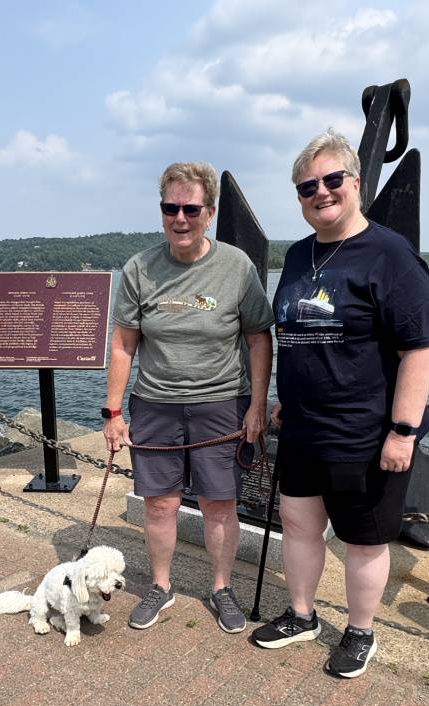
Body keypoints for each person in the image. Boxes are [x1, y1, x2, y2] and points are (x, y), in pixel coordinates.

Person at [250, 129, 429, 678]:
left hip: (365, 432)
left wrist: (403, 431)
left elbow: (418, 349)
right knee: (298, 524)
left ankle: (360, 631)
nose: (321, 192)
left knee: (363, 539)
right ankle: (302, 614)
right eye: (307, 186)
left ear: (355, 183)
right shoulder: (298, 255)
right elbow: (296, 334)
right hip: (304, 427)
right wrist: (286, 398)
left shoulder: (391, 256)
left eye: (332, 179)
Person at [104, 161, 274, 634]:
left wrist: (257, 405)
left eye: (191, 209)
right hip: (155, 404)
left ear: (210, 213)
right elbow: (123, 344)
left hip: (222, 403)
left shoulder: (236, 267)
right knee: (159, 504)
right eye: (170, 208)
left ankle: (221, 588)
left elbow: (259, 338)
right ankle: (161, 586)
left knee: (220, 504)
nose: (180, 218)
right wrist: (113, 411)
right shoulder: (139, 268)